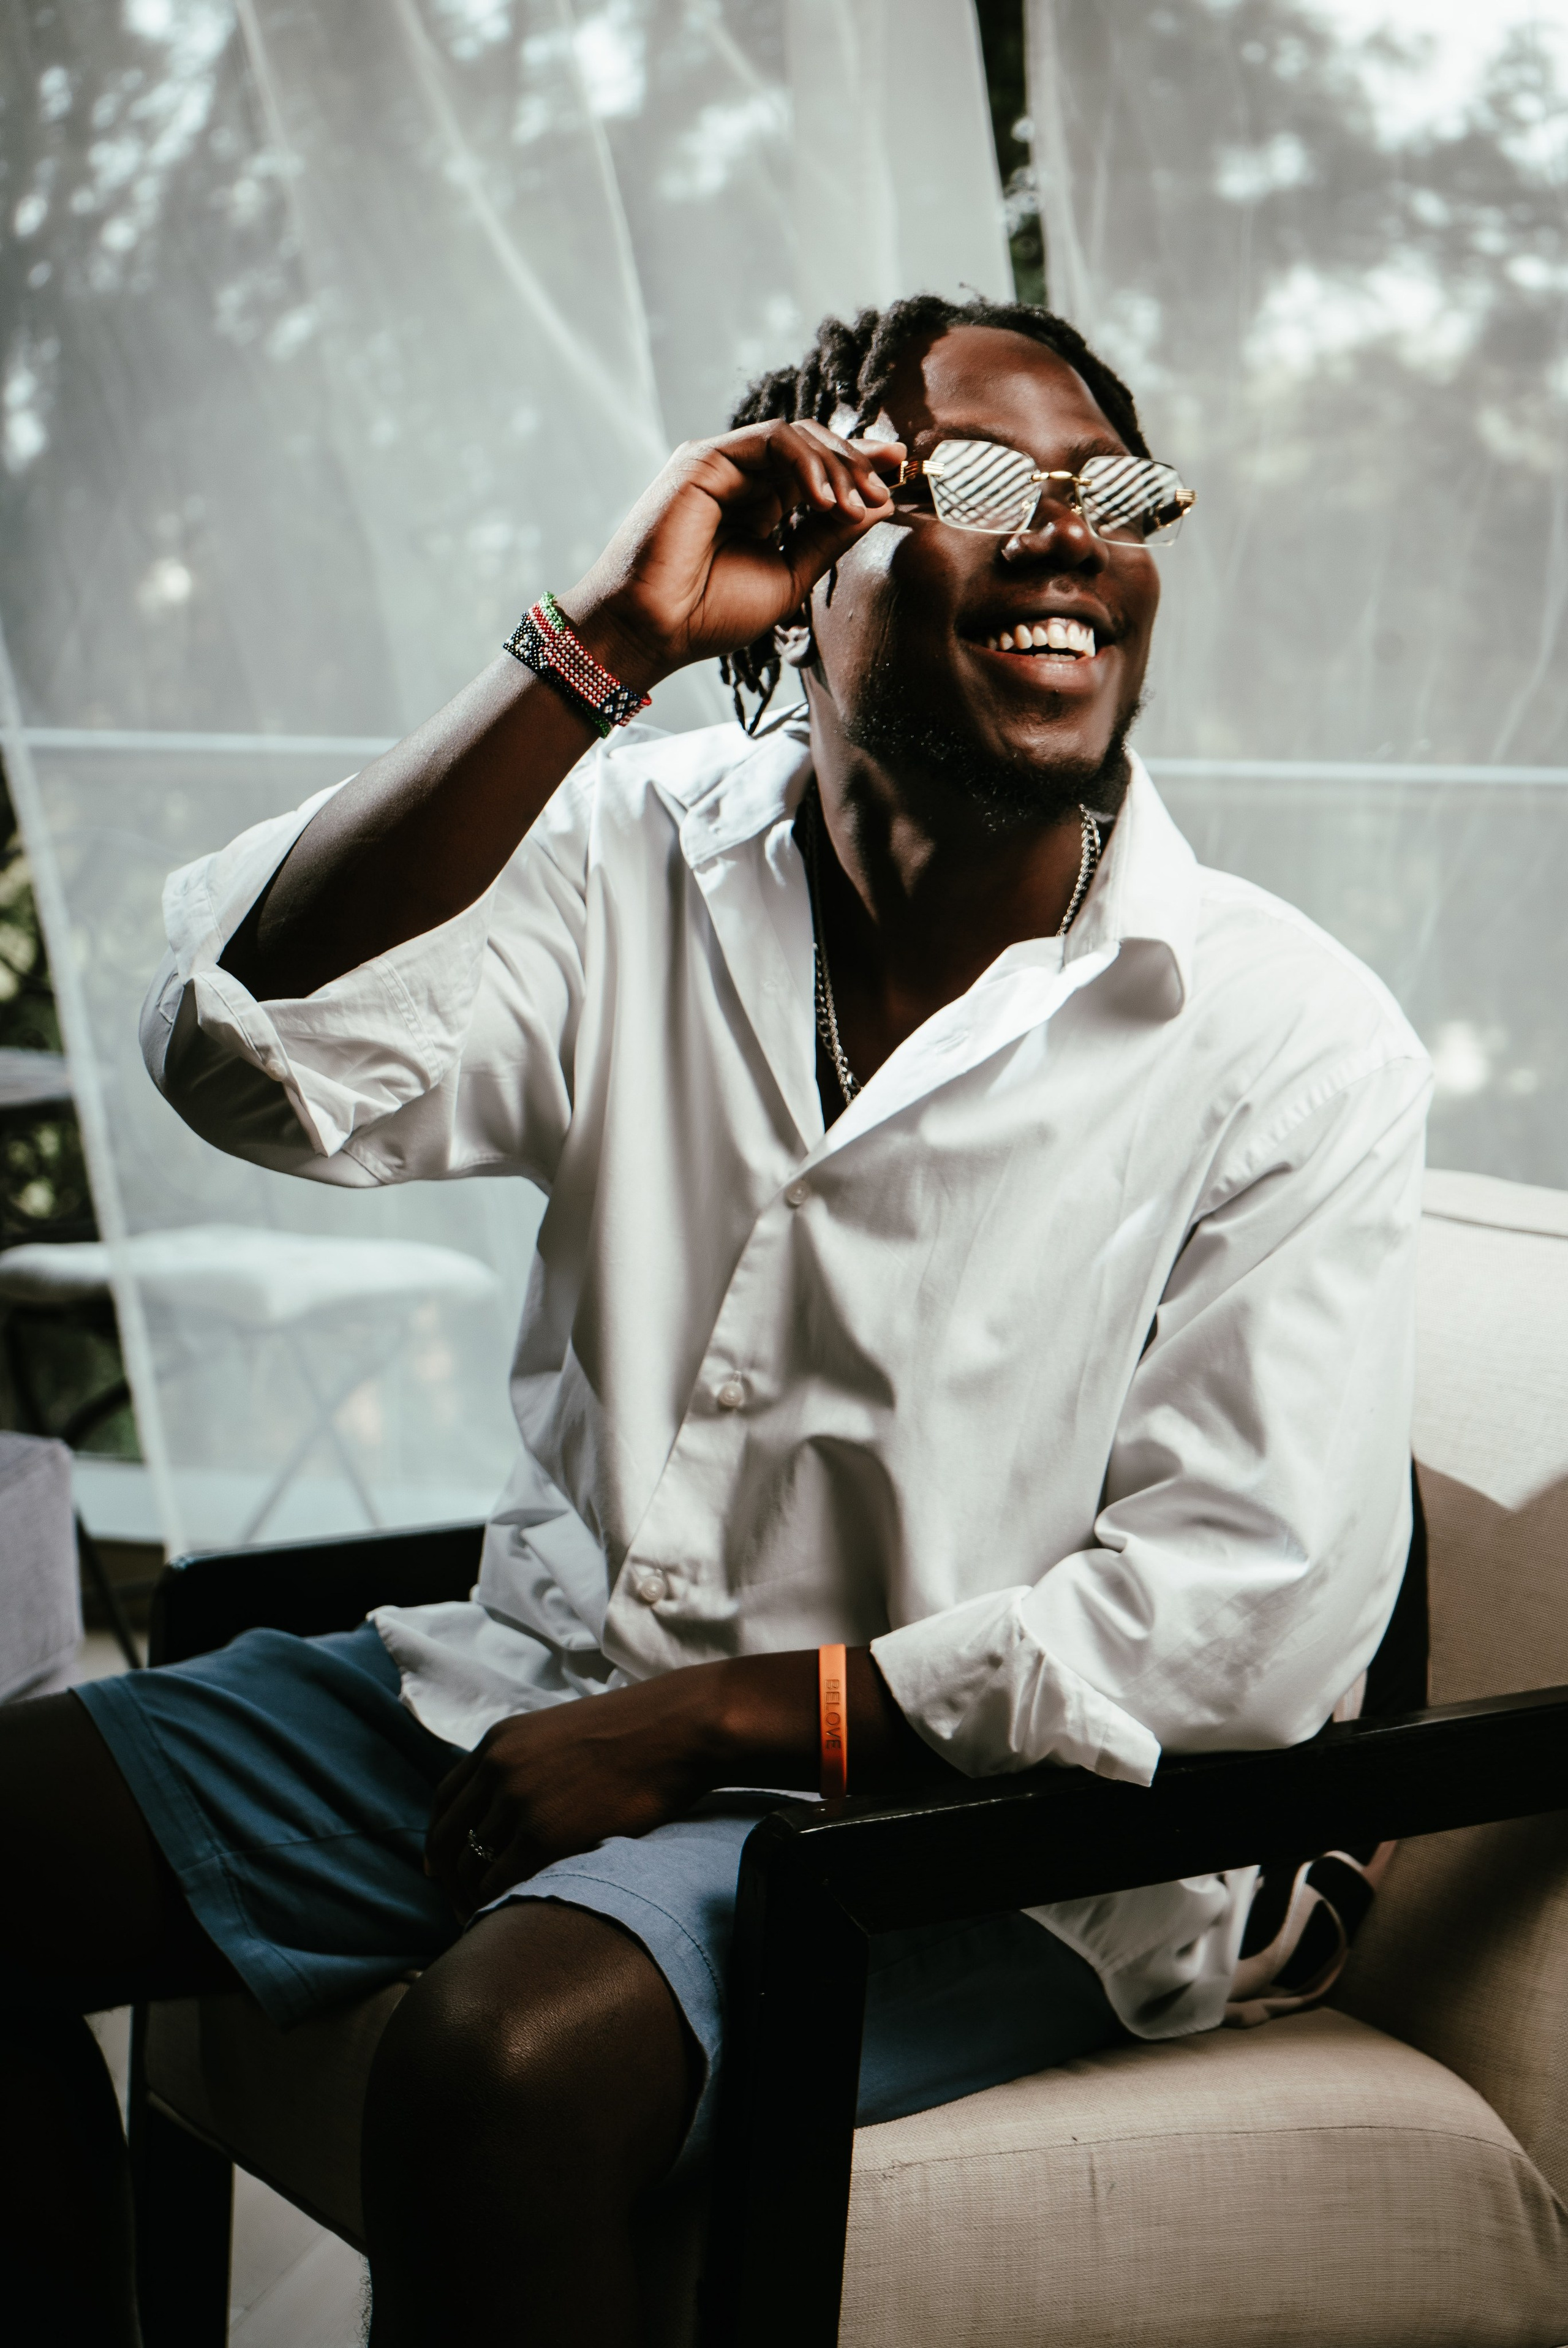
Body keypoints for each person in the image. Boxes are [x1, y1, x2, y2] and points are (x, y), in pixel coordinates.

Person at [1, 293, 1430, 2345]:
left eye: (1111, 490)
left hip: (965, 1836)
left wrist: (715, 1720)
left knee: (501, 2061)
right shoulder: (628, 859)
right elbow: (243, 1050)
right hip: (521, 1695)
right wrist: (594, 652)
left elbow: (1242, 1617)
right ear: (801, 557)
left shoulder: (1290, 1042)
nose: (1068, 541)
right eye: (978, 482)